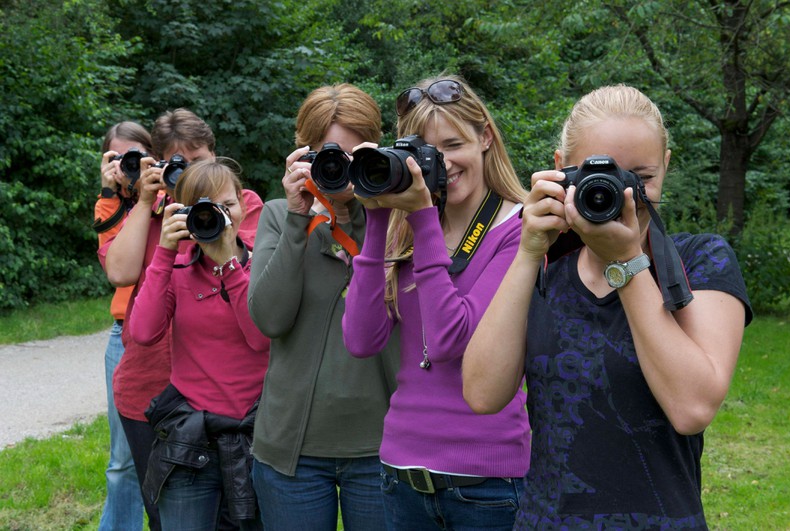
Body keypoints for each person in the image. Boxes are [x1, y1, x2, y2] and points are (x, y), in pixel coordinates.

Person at [462, 84, 753, 529]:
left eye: (641, 177)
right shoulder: (546, 269)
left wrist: (627, 263)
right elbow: (482, 394)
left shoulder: (700, 260)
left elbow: (692, 409)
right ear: (560, 169)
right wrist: (528, 251)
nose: (623, 195)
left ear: (666, 166)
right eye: (602, 177)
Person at [341, 75, 531, 530]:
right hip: (400, 473)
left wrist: (423, 218)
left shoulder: (522, 231)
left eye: (453, 145)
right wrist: (378, 217)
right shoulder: (406, 227)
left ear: (485, 137)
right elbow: (361, 340)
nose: (442, 164)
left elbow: (450, 341)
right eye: (427, 152)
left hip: (487, 482)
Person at [99, 108, 263, 529]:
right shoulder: (156, 210)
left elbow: (258, 316)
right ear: (158, 164)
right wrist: (145, 203)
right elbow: (122, 276)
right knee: (167, 514)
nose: (189, 173)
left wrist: (214, 231)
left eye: (198, 159)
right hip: (161, 392)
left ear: (214, 154)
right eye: (177, 163)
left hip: (238, 398)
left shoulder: (239, 205)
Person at [247, 83, 399, 530]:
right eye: (328, 155)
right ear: (303, 155)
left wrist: (375, 203)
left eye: (353, 156)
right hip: (292, 448)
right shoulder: (279, 216)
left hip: (381, 444)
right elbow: (269, 318)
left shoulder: (398, 218)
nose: (339, 169)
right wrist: (299, 219)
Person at [128, 158, 269, 530]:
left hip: (258, 432)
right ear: (183, 213)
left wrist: (229, 267)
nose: (218, 215)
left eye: (227, 205)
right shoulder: (177, 268)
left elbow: (260, 338)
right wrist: (164, 252)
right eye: (204, 208)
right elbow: (143, 333)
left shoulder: (265, 261)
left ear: (244, 205)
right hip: (192, 439)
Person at [93, 121, 151, 530]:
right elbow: (113, 264)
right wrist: (110, 191)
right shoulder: (111, 202)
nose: (129, 164)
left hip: (170, 332)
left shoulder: (167, 191)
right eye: (119, 157)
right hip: (124, 333)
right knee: (123, 460)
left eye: (137, 155)